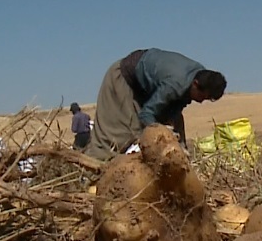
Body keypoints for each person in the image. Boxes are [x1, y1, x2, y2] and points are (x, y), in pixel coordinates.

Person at [85, 48, 226, 160]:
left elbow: (176, 107)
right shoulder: (175, 84)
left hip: (146, 88)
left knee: (174, 124)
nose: (201, 101)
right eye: (203, 97)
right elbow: (146, 114)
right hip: (124, 79)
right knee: (122, 136)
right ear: (195, 84)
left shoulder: (199, 74)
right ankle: (91, 173)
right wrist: (162, 133)